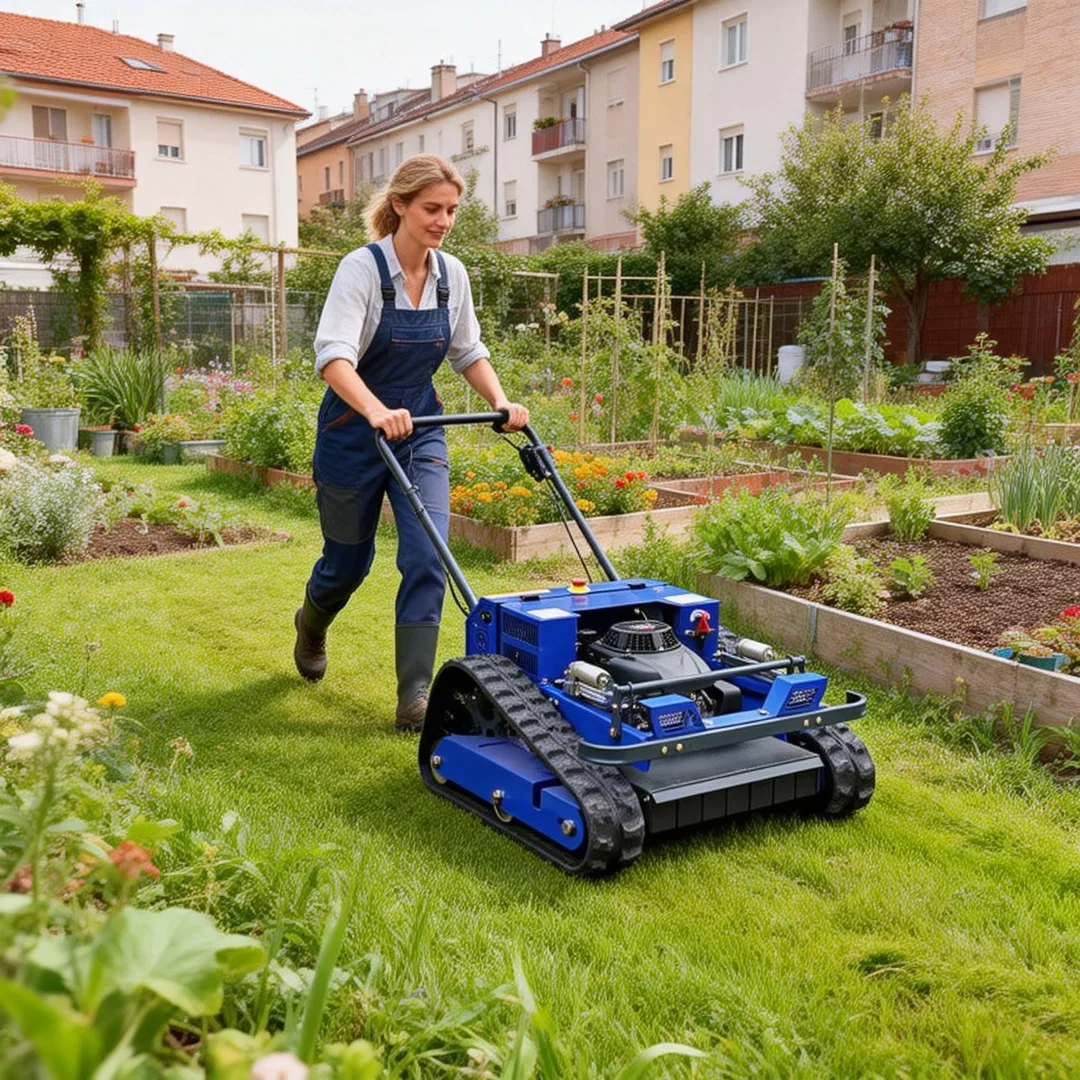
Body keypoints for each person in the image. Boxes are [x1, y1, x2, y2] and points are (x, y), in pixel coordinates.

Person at [293, 155, 528, 731]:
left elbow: (468, 350)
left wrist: (501, 401)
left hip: (420, 429)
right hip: (353, 431)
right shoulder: (362, 269)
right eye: (432, 208)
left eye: (451, 209)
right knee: (347, 564)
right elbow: (334, 357)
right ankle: (312, 623)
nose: (444, 220)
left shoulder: (453, 275)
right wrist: (375, 409)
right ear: (400, 205)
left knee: (428, 555)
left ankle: (415, 698)